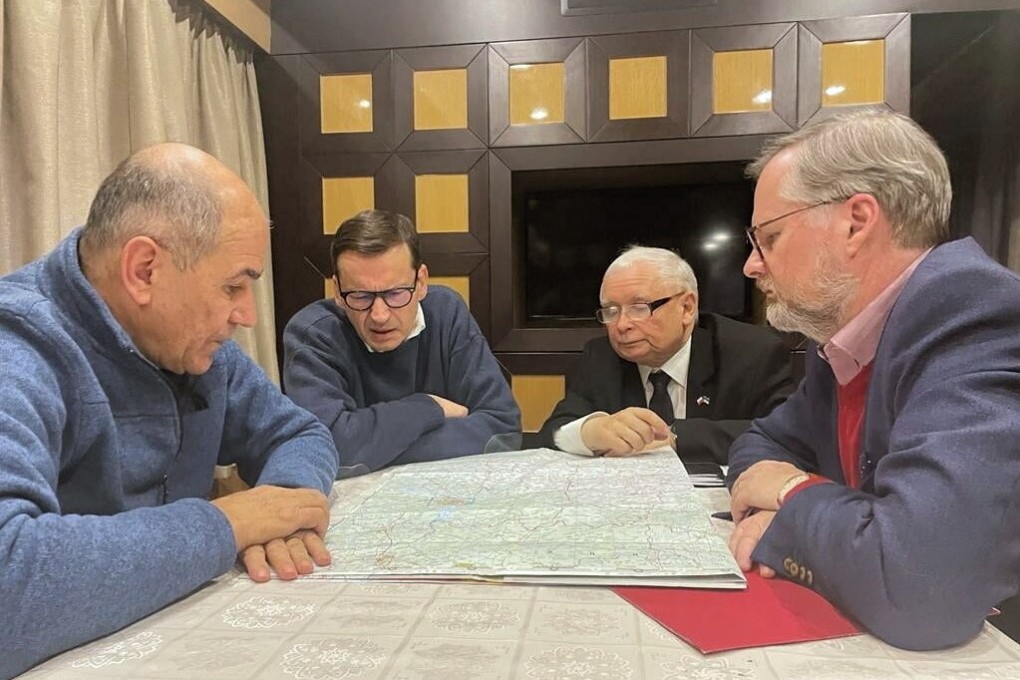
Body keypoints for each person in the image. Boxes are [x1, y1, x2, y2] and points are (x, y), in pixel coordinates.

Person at [0, 143, 341, 678]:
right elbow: (8, 587)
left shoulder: (199, 348)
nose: (248, 315)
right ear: (143, 269)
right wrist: (226, 524)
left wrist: (286, 510)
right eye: (233, 285)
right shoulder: (17, 349)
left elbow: (297, 432)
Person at [726, 109, 1020, 650]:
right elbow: (760, 444)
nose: (752, 264)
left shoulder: (973, 312)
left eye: (769, 236)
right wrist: (834, 519)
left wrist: (792, 496)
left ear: (857, 221)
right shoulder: (844, 340)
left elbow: (923, 587)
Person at [283, 209, 521, 478]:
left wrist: (372, 446)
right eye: (360, 296)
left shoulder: (446, 312)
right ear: (337, 291)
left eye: (396, 293)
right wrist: (426, 407)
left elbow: (502, 430)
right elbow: (326, 448)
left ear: (420, 282)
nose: (379, 316)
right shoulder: (313, 334)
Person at [538, 246, 795, 462]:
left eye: (639, 308)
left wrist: (673, 437)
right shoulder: (601, 357)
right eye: (611, 310)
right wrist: (589, 431)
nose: (621, 325)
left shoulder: (752, 353)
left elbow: (788, 435)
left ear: (686, 307)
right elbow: (552, 432)